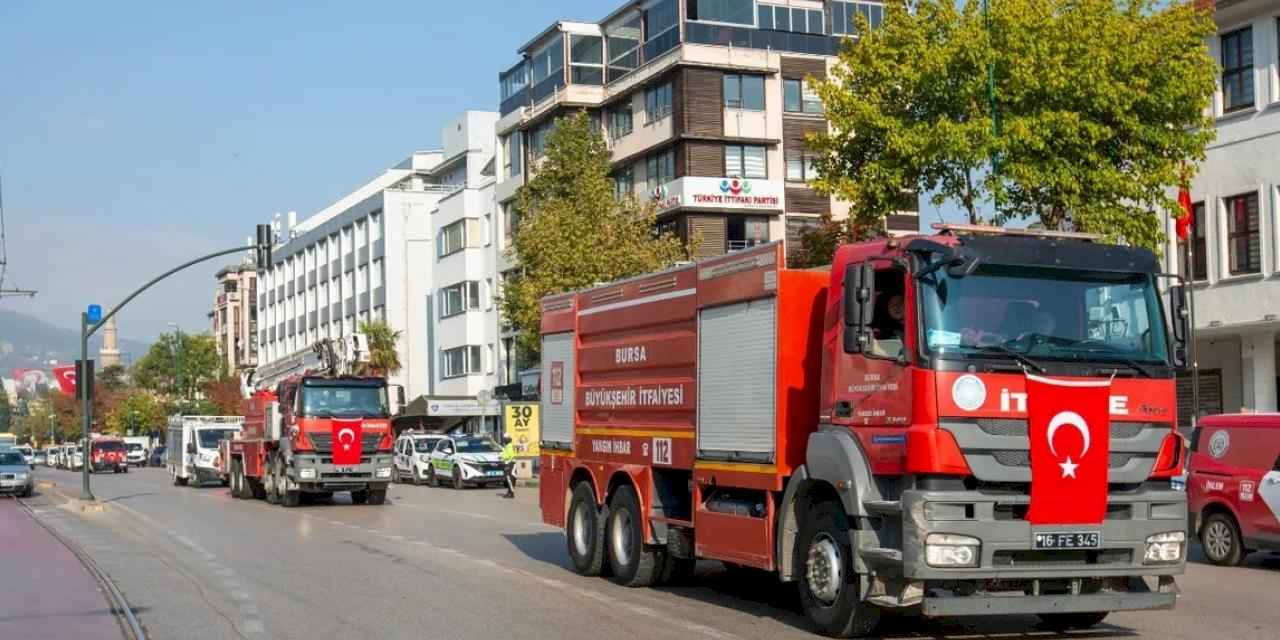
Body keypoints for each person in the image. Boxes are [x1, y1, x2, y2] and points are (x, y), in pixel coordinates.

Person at [500, 434, 517, 499]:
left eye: (505, 439)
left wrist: (501, 456)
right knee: (508, 479)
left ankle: (511, 493)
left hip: (510, 464)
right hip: (508, 464)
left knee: (510, 479)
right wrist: (501, 455)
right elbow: (505, 453)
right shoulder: (507, 446)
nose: (504, 440)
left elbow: (510, 455)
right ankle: (509, 492)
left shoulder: (509, 446)